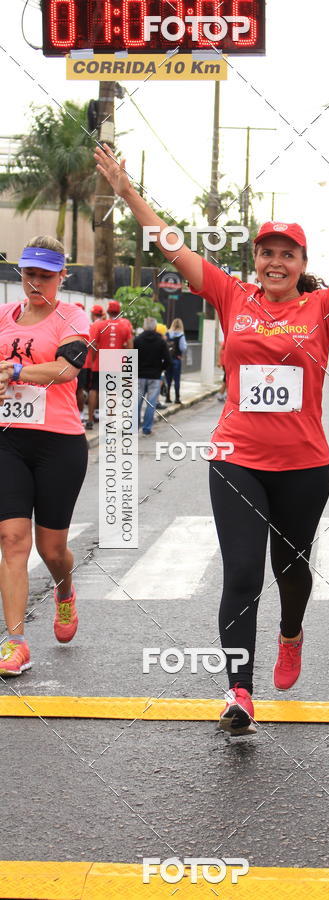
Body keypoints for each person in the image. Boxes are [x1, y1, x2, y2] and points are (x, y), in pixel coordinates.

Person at [95, 142, 329, 735]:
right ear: (255, 259)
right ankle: (239, 691)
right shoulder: (233, 297)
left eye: (286, 253)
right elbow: (174, 247)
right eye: (266, 252)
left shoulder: (322, 309)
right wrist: (127, 194)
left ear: (301, 261)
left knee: (291, 570)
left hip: (304, 464)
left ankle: (291, 632)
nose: (275, 261)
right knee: (242, 572)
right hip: (236, 459)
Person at [0, 236, 90, 677]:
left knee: (50, 549)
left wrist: (15, 371)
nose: (36, 283)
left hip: (59, 443)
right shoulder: (3, 316)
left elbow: (68, 366)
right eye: (29, 274)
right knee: (12, 541)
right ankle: (15, 643)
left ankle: (65, 588)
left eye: (45, 276)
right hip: (8, 440)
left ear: (62, 277)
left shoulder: (71, 315)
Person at [86, 299, 133, 430]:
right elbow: (130, 347)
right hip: (115, 361)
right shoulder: (125, 326)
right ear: (119, 312)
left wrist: (95, 358)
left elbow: (93, 345)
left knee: (94, 389)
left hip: (101, 360)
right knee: (112, 391)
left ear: (107, 311)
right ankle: (110, 421)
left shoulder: (100, 325)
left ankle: (90, 420)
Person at [134, 317, 172, 435]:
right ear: (155, 327)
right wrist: (161, 369)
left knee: (137, 402)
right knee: (151, 403)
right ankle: (147, 428)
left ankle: (133, 428)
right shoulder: (161, 341)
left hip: (139, 375)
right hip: (155, 376)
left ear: (144, 327)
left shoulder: (137, 340)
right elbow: (168, 360)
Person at [76, 303, 104, 420]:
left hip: (77, 362)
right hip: (90, 362)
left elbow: (93, 345)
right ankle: (92, 413)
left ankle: (81, 413)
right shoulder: (89, 325)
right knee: (92, 389)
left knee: (79, 390)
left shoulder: (89, 325)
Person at [165, 318, 187, 404]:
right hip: (177, 359)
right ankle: (177, 398)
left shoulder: (167, 334)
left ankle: (167, 397)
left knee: (168, 379)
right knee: (176, 379)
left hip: (168, 359)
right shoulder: (181, 335)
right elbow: (183, 348)